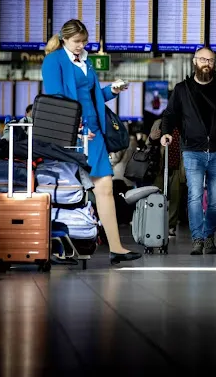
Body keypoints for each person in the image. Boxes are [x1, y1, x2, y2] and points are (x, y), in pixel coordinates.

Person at [42, 19, 141, 265]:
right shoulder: (54, 61)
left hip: (94, 133)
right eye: (77, 41)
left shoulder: (85, 62)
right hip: (70, 134)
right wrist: (74, 129)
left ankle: (116, 248)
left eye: (84, 41)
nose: (81, 45)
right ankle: (52, 246)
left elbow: (92, 96)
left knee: (105, 189)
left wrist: (113, 91)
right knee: (61, 191)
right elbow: (55, 98)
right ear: (64, 39)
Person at [160, 47, 216, 256]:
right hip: (192, 151)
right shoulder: (182, 89)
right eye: (203, 59)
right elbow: (169, 114)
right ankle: (197, 239)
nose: (207, 63)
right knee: (195, 196)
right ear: (195, 62)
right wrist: (166, 132)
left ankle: (209, 236)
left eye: (211, 60)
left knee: (215, 200)